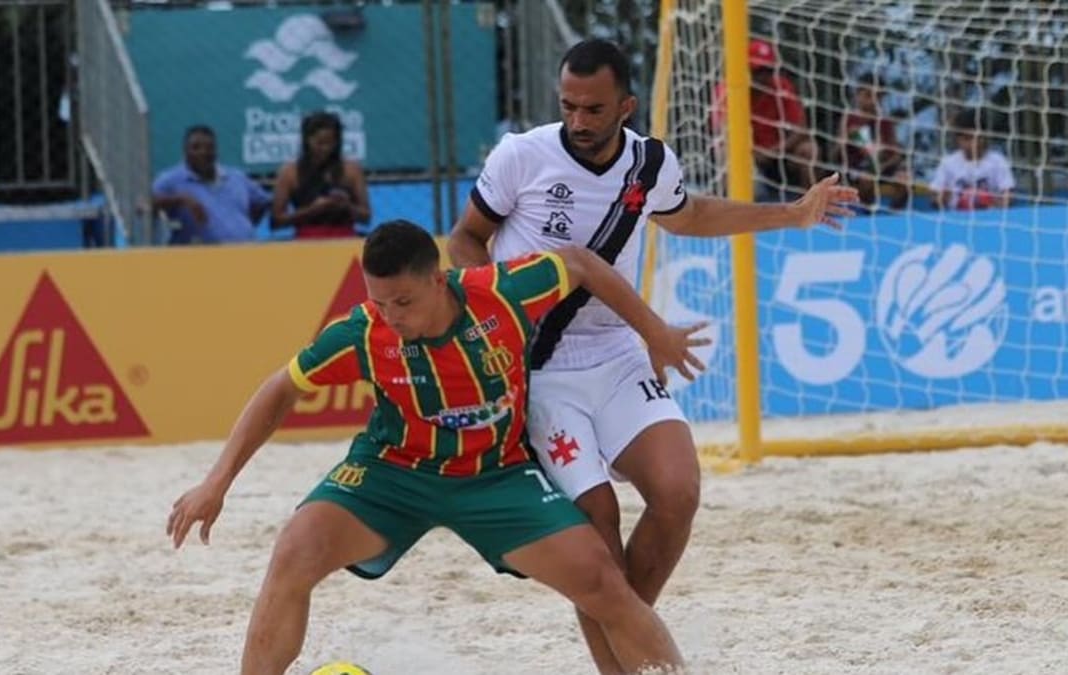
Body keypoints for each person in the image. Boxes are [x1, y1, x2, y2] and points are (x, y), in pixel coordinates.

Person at [449, 38, 858, 675]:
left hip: (617, 353)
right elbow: (466, 240)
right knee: (598, 528)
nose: (579, 121)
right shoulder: (520, 156)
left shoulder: (650, 164)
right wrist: (501, 307)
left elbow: (688, 214)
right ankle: (630, 659)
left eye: (593, 109)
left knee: (678, 492)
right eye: (569, 107)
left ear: (627, 106)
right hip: (540, 368)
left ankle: (626, 641)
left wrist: (793, 213)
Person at [167, 220, 708, 675]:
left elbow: (581, 262)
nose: (391, 316)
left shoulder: (501, 292)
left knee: (601, 580)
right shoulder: (364, 332)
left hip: (496, 476)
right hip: (392, 474)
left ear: (438, 279)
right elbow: (281, 388)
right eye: (379, 302)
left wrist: (654, 332)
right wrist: (217, 482)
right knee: (294, 552)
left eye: (402, 301)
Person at [711, 38, 819, 198]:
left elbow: (801, 129)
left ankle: (812, 205)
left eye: (768, 70)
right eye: (757, 71)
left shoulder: (782, 87)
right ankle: (731, 205)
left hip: (778, 151)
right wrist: (752, 153)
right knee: (723, 152)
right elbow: (724, 133)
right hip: (745, 153)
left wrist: (773, 151)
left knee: (809, 149)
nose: (764, 76)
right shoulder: (728, 90)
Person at [152, 125, 272, 245]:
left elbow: (263, 202)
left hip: (247, 252)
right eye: (196, 148)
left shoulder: (236, 177)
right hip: (202, 256)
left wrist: (243, 225)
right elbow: (145, 204)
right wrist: (180, 200)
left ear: (216, 151)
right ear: (185, 151)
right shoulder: (172, 179)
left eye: (209, 148)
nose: (203, 152)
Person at [271, 111, 371, 239]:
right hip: (307, 240)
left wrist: (346, 206)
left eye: (330, 143)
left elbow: (366, 216)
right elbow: (276, 221)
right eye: (319, 143)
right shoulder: (290, 172)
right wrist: (311, 210)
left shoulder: (351, 170)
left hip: (345, 238)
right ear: (307, 140)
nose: (325, 148)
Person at [838, 74, 911, 210]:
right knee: (867, 179)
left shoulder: (885, 121)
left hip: (882, 165)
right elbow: (839, 151)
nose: (873, 101)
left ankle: (894, 215)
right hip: (858, 167)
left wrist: (884, 165)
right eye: (868, 95)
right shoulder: (849, 118)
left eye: (878, 97)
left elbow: (896, 153)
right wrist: (848, 137)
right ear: (858, 95)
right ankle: (868, 212)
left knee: (904, 179)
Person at [930, 108, 1016, 210]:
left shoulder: (997, 161)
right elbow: (934, 198)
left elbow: (1008, 194)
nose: (974, 143)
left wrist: (994, 202)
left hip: (991, 217)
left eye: (978, 137)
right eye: (967, 138)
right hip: (957, 218)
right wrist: (942, 198)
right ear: (958, 139)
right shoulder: (948, 163)